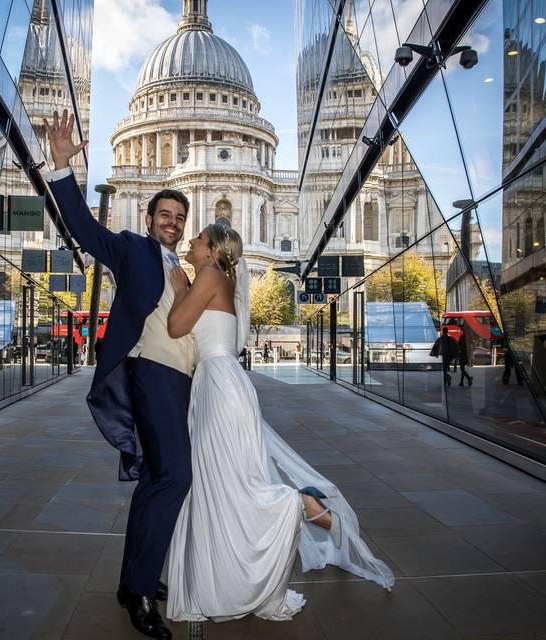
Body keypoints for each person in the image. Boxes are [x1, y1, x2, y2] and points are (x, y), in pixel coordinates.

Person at [164, 224, 393, 622]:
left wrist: (180, 287)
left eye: (199, 240)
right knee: (222, 480)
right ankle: (230, 575)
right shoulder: (218, 276)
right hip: (217, 385)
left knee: (229, 481)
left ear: (213, 250)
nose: (192, 243)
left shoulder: (211, 275)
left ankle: (297, 502)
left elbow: (175, 326)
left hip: (219, 386)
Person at [45, 110, 193, 640]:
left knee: (156, 479)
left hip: (181, 383)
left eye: (179, 216)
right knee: (177, 476)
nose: (172, 221)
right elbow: (86, 231)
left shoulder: (186, 269)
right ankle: (141, 589)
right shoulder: (132, 248)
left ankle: (134, 584)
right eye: (165, 214)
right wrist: (62, 168)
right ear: (151, 217)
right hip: (149, 373)